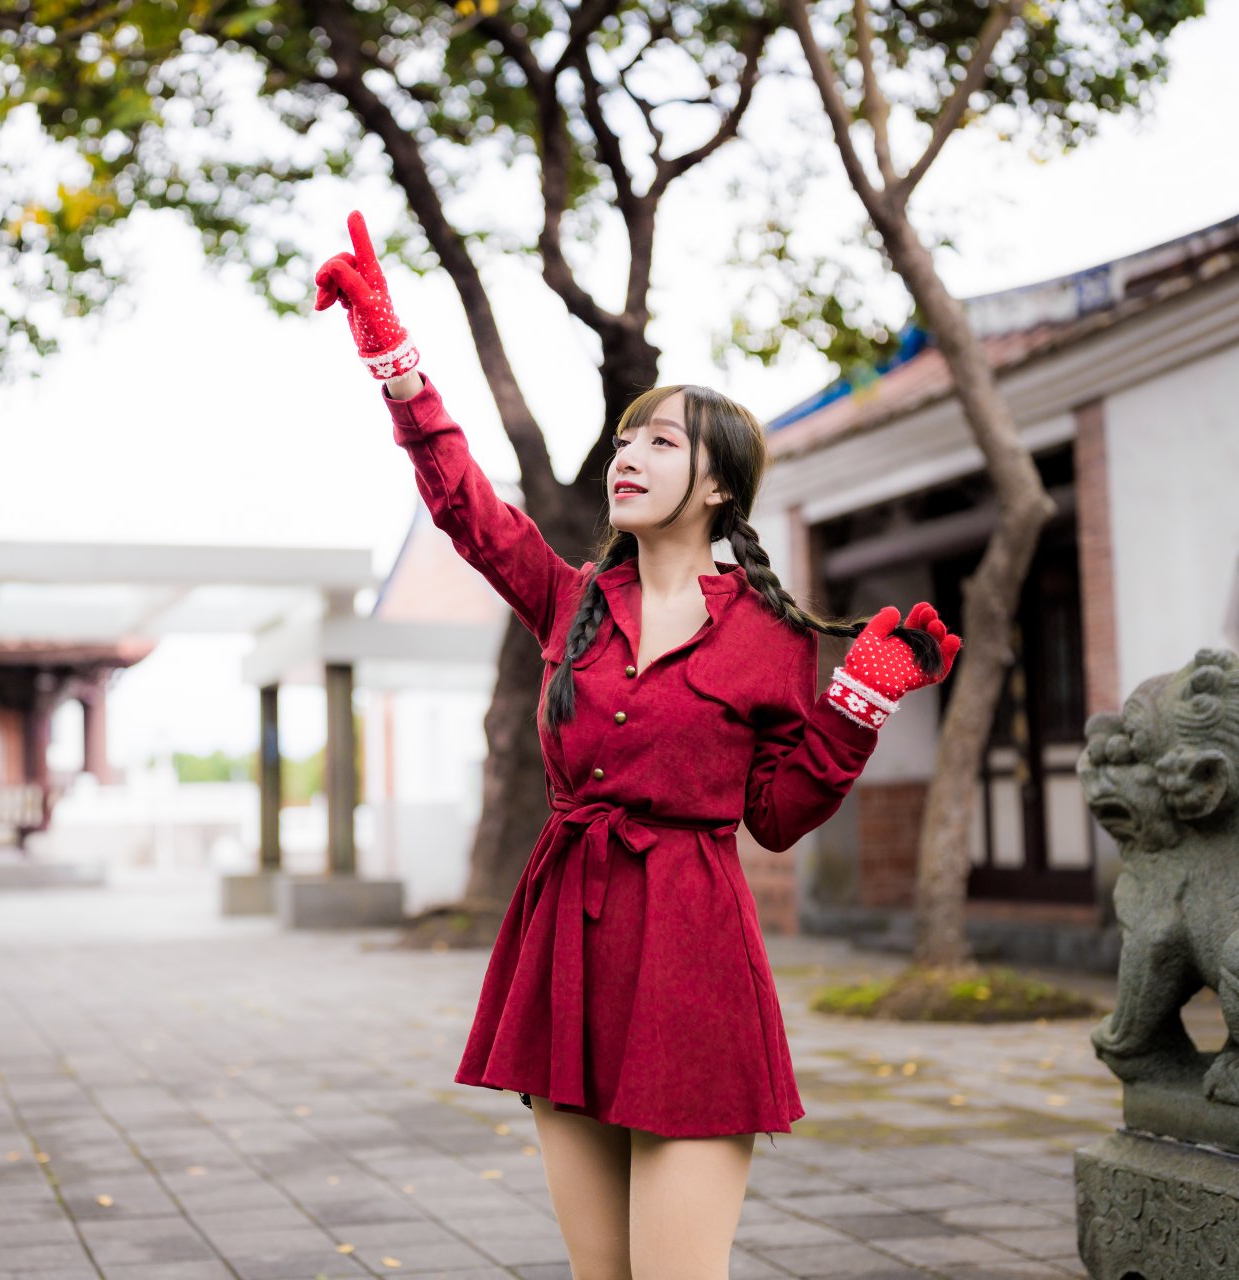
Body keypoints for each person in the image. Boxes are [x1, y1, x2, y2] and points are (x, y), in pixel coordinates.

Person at [315, 211, 961, 1279]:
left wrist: (860, 701)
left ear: (718, 486)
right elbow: (468, 508)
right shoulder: (571, 602)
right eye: (626, 436)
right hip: (564, 942)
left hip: (692, 956)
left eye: (662, 439)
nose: (629, 453)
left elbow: (778, 815)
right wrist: (395, 359)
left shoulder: (777, 641)